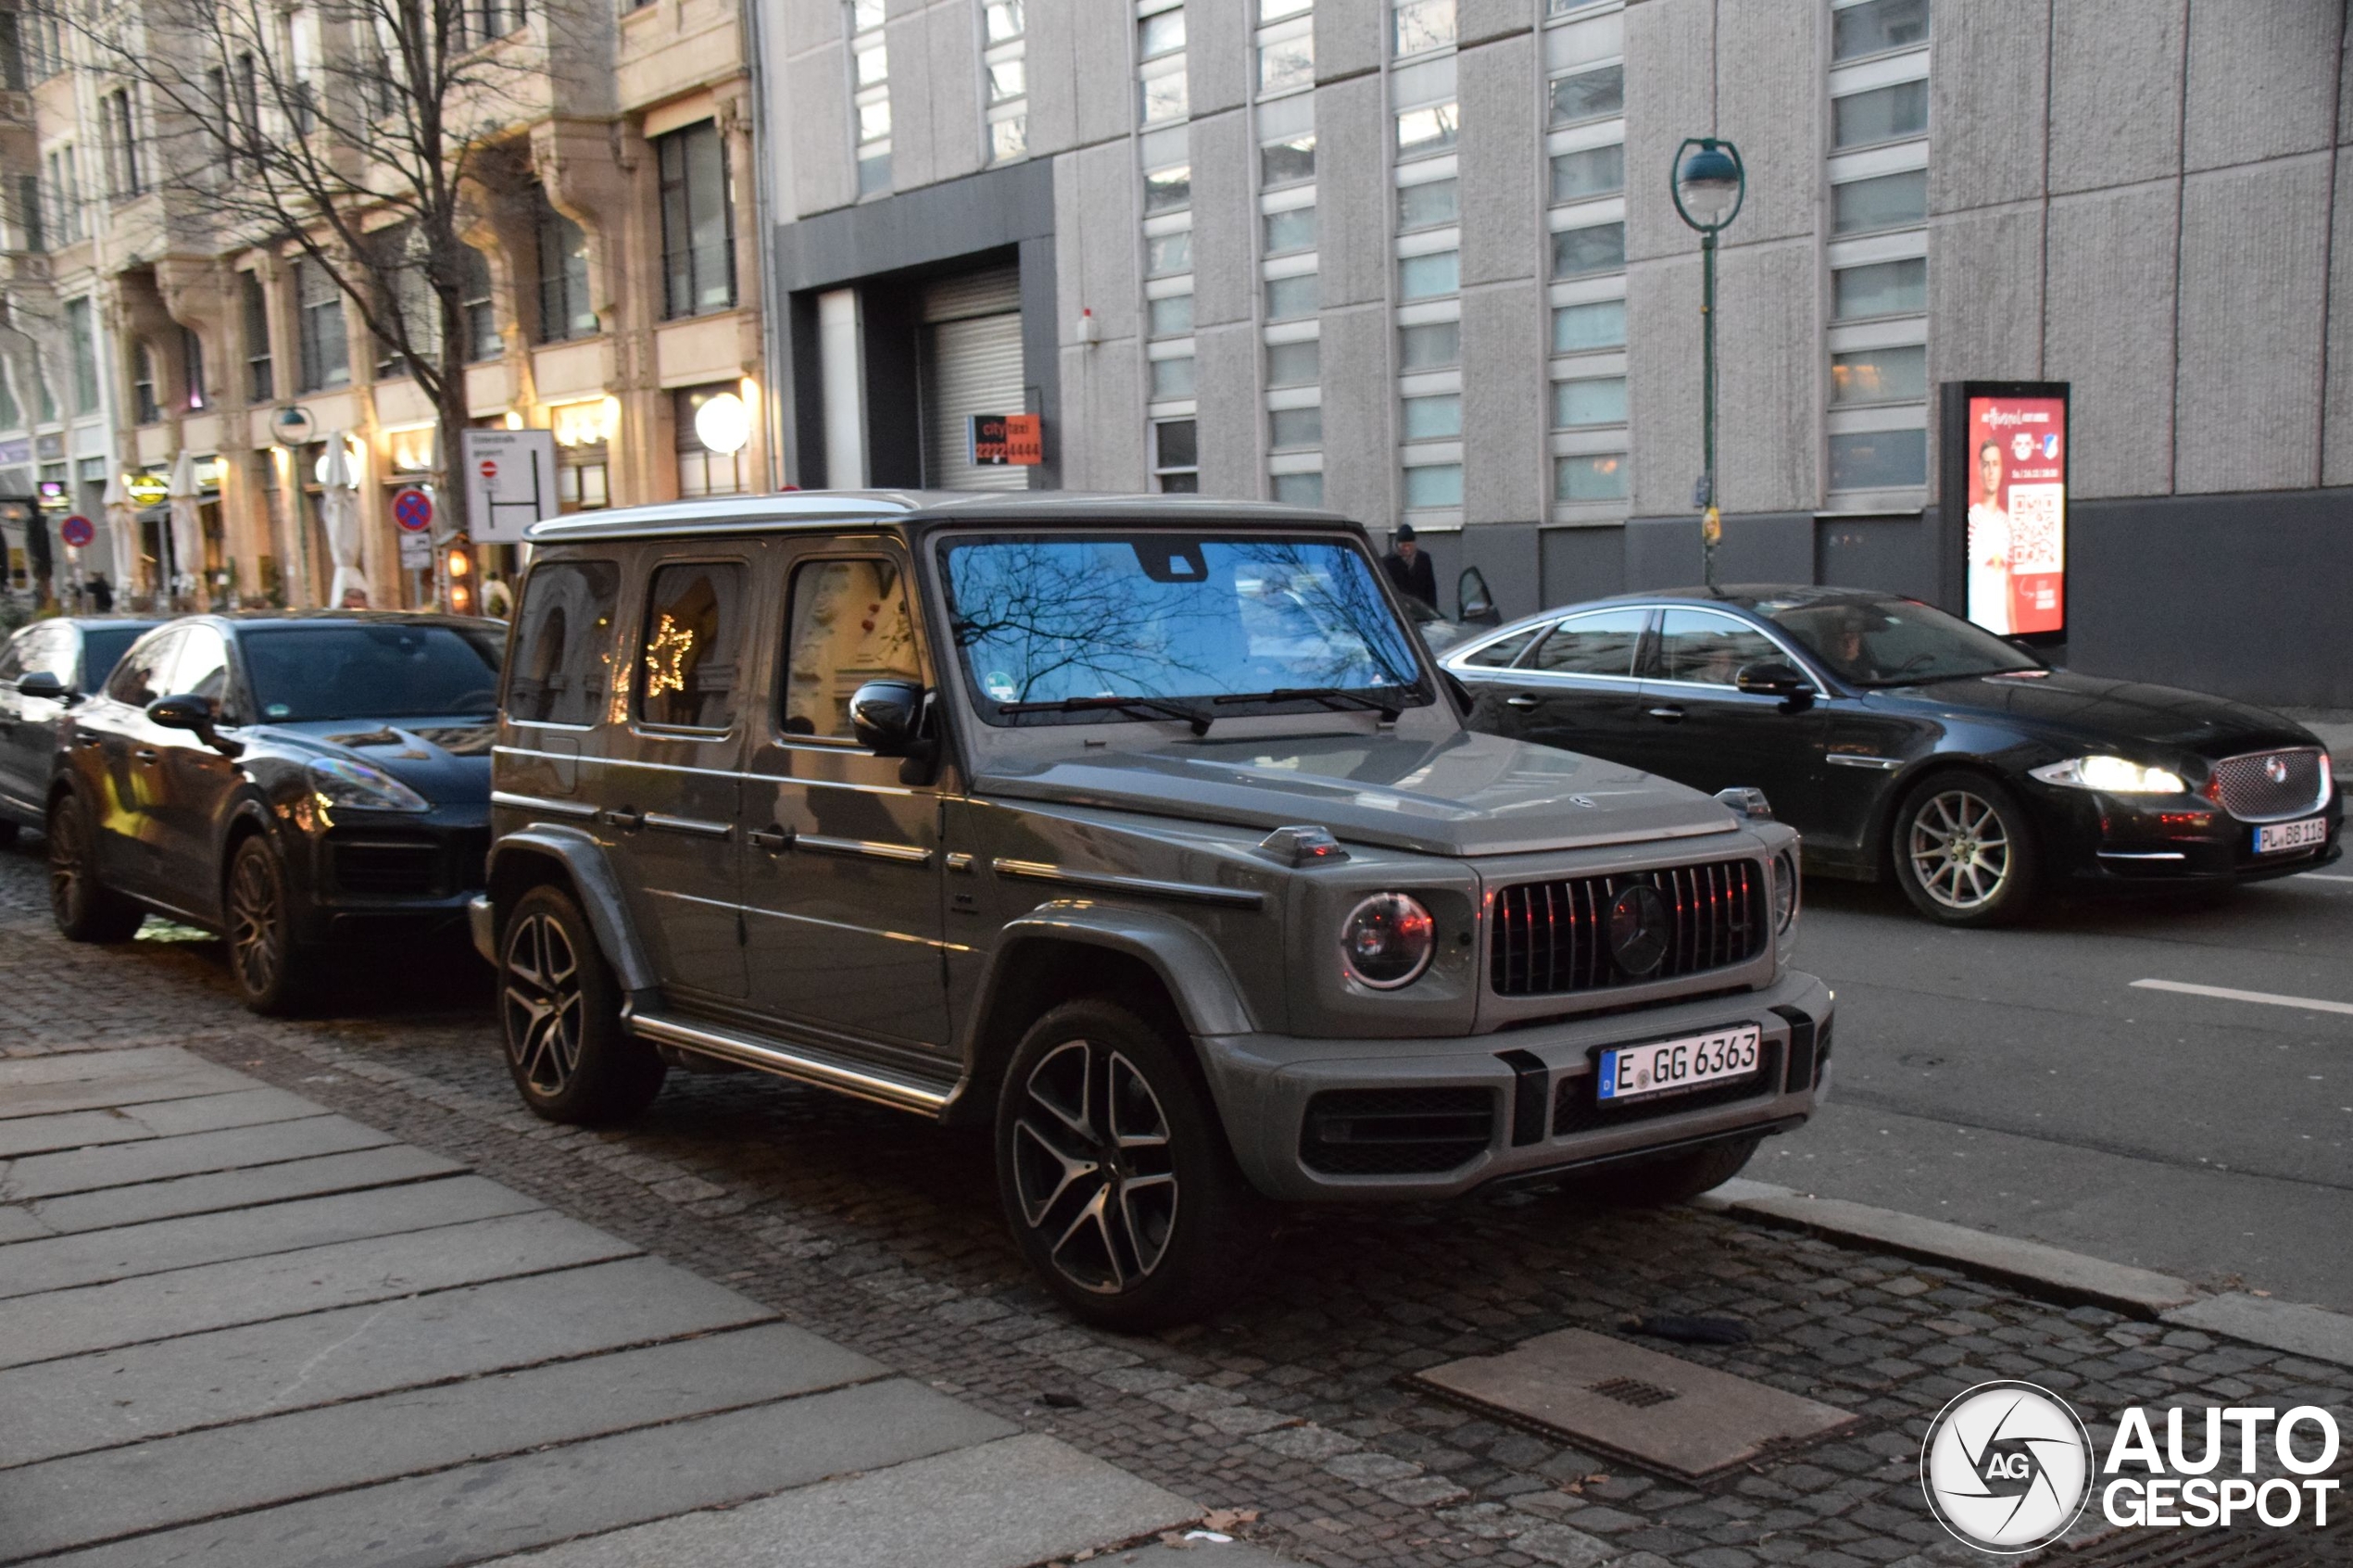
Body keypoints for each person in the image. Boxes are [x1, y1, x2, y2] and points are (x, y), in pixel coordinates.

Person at [1967, 441, 2012, 636]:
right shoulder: (1971, 518)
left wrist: (2014, 630)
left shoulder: (2006, 522)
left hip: (2002, 631)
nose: (1991, 471)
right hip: (1976, 630)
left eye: (1995, 464)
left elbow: (2008, 581)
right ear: (1979, 469)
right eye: (1986, 464)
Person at [1380, 523, 1438, 610]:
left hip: (1422, 611)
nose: (1407, 549)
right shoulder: (1388, 562)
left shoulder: (1424, 559)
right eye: (1404, 546)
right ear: (1397, 544)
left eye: (1410, 545)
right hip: (1400, 613)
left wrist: (1433, 611)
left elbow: (1430, 589)